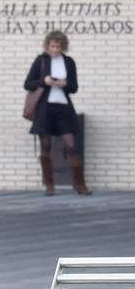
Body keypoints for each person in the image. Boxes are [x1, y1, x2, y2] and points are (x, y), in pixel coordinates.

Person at [24, 30, 91, 196]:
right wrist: (43, 81)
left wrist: (64, 84)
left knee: (71, 146)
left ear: (63, 47)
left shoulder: (69, 62)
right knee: (45, 147)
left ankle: (80, 184)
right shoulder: (41, 60)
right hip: (45, 110)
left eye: (58, 47)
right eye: (52, 46)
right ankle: (49, 185)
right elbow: (28, 84)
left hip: (63, 109)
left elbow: (74, 87)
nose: (54, 50)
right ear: (47, 46)